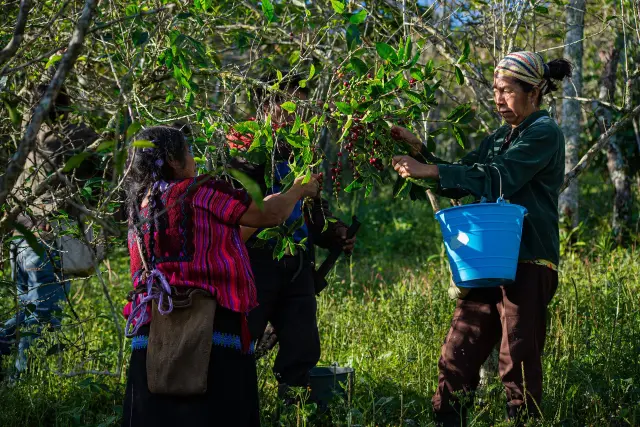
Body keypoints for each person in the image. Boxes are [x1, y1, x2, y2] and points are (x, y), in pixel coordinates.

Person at [390, 52, 572, 425]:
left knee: (516, 357)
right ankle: (447, 418)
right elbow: (469, 173)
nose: (498, 100)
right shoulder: (499, 138)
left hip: (528, 260)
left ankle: (524, 420)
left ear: (533, 91)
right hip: (489, 261)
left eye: (507, 91)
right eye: (495, 91)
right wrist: (420, 152)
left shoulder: (543, 132)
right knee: (458, 351)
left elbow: (499, 175)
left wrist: (431, 168)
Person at [121, 126, 319, 426]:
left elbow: (228, 234)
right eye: (187, 152)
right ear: (174, 161)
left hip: (152, 332)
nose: (193, 159)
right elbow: (270, 215)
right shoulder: (200, 190)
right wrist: (297, 191)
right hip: (209, 328)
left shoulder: (141, 204)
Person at [228, 73, 355, 399]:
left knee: (301, 340)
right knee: (239, 338)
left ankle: (295, 402)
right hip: (254, 260)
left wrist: (334, 232)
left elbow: (313, 211)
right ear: (262, 105)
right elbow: (236, 206)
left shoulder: (301, 150)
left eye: (297, 103)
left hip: (297, 263)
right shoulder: (243, 146)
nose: (292, 111)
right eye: (284, 102)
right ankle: (233, 403)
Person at [0, 84, 99, 375]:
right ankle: (25, 378)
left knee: (28, 309)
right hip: (46, 241)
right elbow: (102, 164)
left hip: (20, 240)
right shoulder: (70, 137)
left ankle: (15, 369)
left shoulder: (27, 140)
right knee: (42, 317)